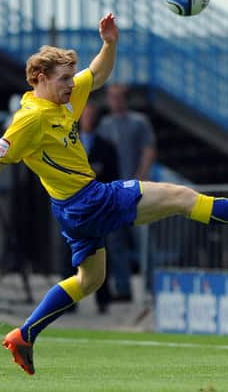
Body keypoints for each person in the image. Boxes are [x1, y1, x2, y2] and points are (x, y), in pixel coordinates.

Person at [0, 13, 228, 375]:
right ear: (40, 78)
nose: (72, 84)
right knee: (181, 198)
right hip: (90, 200)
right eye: (64, 79)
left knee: (91, 280)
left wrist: (109, 44)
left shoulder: (63, 101)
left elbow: (98, 74)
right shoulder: (31, 118)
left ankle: (25, 334)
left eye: (72, 78)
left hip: (72, 209)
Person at [98, 83, 156, 301]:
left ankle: (151, 287)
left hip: (135, 190)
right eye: (111, 97)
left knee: (143, 239)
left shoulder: (138, 122)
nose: (115, 101)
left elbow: (148, 149)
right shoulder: (105, 125)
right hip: (113, 192)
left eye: (118, 97)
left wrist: (141, 176)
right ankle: (123, 288)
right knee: (115, 241)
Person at [60, 102, 119, 314]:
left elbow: (114, 176)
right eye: (85, 114)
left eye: (92, 114)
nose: (88, 118)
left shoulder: (106, 147)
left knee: (100, 251)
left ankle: (103, 299)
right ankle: (68, 301)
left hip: (97, 207)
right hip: (73, 207)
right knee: (70, 253)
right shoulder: (67, 143)